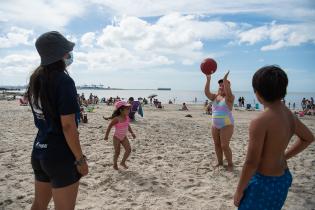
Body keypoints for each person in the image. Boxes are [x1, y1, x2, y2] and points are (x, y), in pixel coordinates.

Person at [234, 65, 314, 210]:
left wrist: (239, 190)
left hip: (264, 183)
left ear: (257, 92)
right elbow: (308, 138)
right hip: (283, 179)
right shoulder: (289, 114)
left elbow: (251, 162)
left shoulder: (260, 121)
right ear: (284, 91)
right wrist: (284, 155)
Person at [27, 31, 88, 210]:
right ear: (60, 53)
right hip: (60, 154)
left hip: (39, 150)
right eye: (67, 51)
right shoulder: (63, 81)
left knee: (38, 205)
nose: (69, 55)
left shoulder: (35, 79)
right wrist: (80, 159)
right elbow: (68, 126)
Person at [204, 71, 235, 171]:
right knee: (217, 145)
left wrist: (225, 80)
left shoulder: (229, 98)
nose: (221, 86)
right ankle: (220, 162)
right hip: (215, 125)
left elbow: (228, 92)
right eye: (220, 85)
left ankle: (230, 164)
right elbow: (206, 92)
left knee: (224, 145)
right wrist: (208, 79)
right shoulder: (215, 97)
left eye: (224, 85)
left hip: (227, 125)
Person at [104, 101, 136, 170]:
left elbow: (128, 125)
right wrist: (106, 136)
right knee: (117, 152)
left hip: (124, 137)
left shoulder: (127, 117)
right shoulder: (116, 119)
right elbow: (109, 126)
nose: (129, 110)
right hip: (116, 138)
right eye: (127, 109)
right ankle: (115, 164)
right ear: (121, 110)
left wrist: (132, 133)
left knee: (128, 150)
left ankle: (122, 162)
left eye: (129, 109)